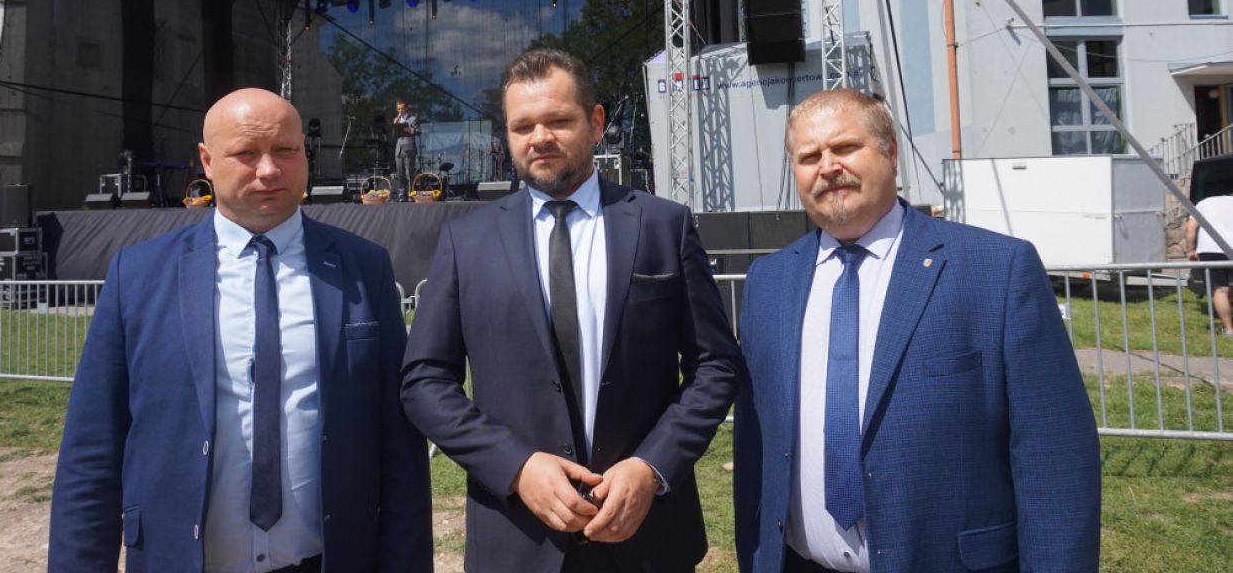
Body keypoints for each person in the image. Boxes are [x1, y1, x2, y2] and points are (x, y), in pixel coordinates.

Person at [49, 88, 432, 573]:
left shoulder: (364, 268)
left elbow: (399, 444)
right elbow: (92, 451)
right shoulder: (139, 275)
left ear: (305, 154)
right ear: (207, 161)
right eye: (246, 153)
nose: (269, 170)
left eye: (285, 150)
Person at [402, 48, 741, 572]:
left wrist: (653, 466)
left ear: (596, 122)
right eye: (523, 126)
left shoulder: (663, 226)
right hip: (517, 539)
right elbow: (424, 381)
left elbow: (715, 364)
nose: (539, 137)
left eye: (558, 121)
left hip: (647, 538)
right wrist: (515, 467)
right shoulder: (465, 242)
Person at [733, 88, 1100, 573]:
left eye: (845, 147)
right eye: (808, 156)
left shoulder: (996, 269)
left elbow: (1054, 456)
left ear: (890, 153)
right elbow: (755, 446)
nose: (828, 167)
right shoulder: (769, 282)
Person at [1185, 188, 1233, 338]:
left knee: (1219, 290)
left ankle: (1229, 329)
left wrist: (1190, 250)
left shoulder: (1204, 203)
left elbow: (1190, 227)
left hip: (1210, 250)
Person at [393, 100, 420, 200]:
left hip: (409, 148)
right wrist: (394, 124)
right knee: (400, 174)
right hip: (399, 149)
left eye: (402, 109)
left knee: (409, 173)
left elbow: (418, 132)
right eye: (398, 109)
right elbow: (394, 135)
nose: (400, 111)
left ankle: (410, 194)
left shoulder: (413, 119)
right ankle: (401, 195)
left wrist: (410, 130)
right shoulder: (397, 119)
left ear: (406, 108)